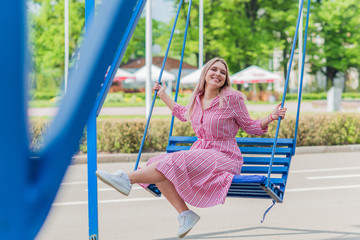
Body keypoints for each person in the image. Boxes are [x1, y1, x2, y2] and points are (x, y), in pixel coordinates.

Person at [96, 57, 287, 238]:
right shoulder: (197, 98)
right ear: (205, 73)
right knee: (158, 161)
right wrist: (163, 95)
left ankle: (126, 178)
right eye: (214, 69)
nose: (218, 74)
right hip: (201, 153)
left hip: (225, 155)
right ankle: (185, 214)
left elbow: (250, 126)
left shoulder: (232, 98)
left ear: (225, 78)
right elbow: (182, 113)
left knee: (174, 160)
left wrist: (271, 116)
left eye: (222, 72)